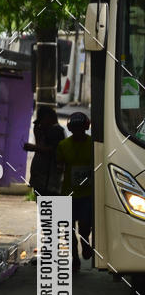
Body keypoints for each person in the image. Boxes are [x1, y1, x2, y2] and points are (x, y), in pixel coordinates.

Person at [56, 111, 94, 272]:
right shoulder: (63, 146)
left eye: (81, 129)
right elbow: (59, 167)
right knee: (69, 229)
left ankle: (85, 242)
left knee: (85, 227)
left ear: (85, 128)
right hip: (68, 194)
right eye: (75, 129)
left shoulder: (93, 144)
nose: (78, 132)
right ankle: (74, 257)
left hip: (87, 194)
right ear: (71, 129)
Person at [24, 106, 65, 195]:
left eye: (42, 121)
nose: (40, 125)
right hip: (43, 182)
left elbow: (52, 150)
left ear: (48, 118)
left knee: (54, 207)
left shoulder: (56, 131)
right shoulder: (47, 131)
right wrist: (37, 134)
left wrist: (33, 147)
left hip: (50, 184)